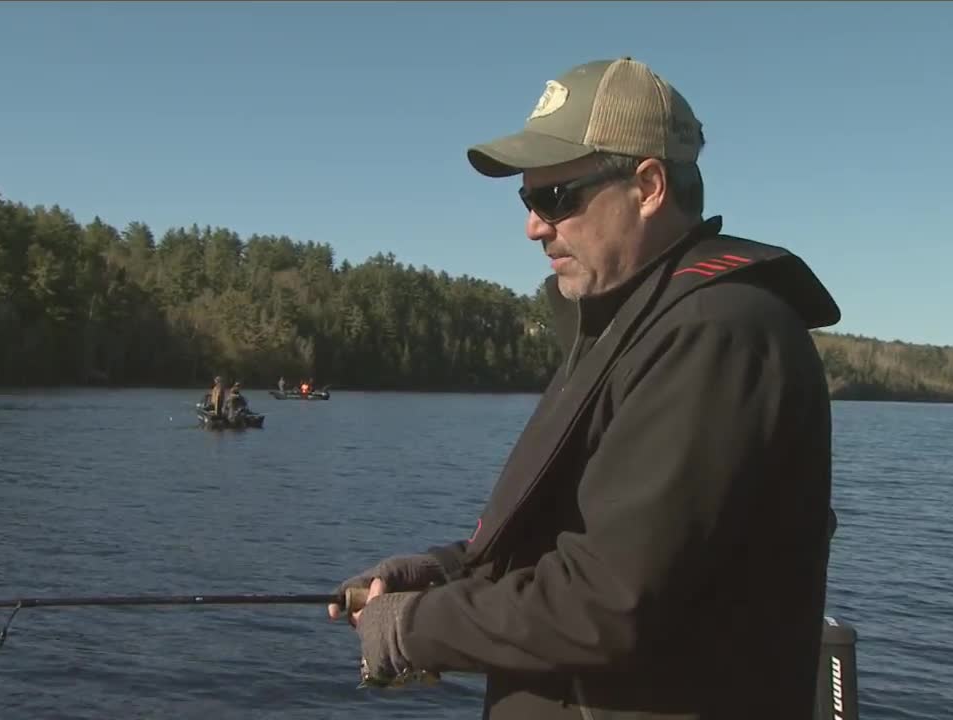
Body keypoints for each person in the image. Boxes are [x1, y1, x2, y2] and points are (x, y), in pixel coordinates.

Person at [328, 57, 842, 720]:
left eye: (555, 198)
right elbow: (576, 542)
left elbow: (609, 598)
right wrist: (445, 571)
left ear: (649, 185)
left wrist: (416, 627)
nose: (534, 226)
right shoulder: (631, 329)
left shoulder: (719, 333)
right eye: (527, 200)